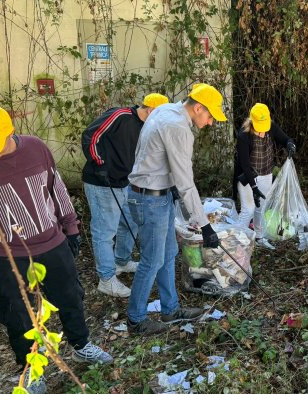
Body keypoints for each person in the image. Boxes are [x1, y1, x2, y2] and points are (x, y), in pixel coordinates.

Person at [0, 104, 112, 393]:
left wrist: (70, 227)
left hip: (52, 243)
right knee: (17, 315)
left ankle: (80, 344)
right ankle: (31, 369)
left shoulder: (35, 148)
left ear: (10, 132)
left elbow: (56, 188)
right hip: (6, 255)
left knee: (70, 297)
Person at [126, 83, 226, 335]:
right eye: (211, 115)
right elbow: (185, 183)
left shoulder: (166, 110)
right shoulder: (178, 128)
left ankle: (171, 309)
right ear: (199, 107)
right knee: (152, 259)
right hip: (151, 199)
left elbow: (147, 152)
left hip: (154, 193)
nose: (211, 122)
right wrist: (204, 225)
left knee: (169, 252)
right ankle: (136, 320)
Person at [82, 93, 169, 298]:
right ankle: (107, 279)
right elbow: (91, 135)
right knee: (105, 231)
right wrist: (98, 162)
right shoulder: (119, 116)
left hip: (126, 181)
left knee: (130, 221)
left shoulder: (148, 127)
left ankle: (121, 261)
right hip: (102, 181)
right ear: (149, 110)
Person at [234, 103, 295, 250]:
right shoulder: (244, 136)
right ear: (252, 124)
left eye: (264, 130)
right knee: (248, 209)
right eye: (259, 130)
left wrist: (290, 145)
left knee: (261, 207)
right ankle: (235, 241)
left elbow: (286, 139)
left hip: (266, 173)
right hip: (247, 177)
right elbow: (245, 165)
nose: (262, 133)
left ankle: (259, 237)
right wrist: (253, 187)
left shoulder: (271, 127)